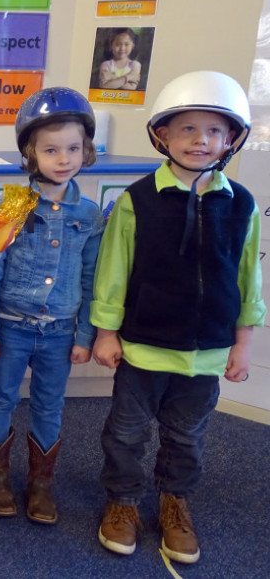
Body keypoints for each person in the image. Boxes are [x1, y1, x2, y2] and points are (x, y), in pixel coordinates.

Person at [92, 71, 265, 564]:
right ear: (162, 135)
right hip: (144, 346)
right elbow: (114, 270)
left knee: (186, 433)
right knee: (126, 430)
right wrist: (106, 330)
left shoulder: (242, 206)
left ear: (231, 140)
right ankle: (122, 500)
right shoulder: (138, 200)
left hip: (207, 352)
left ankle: (174, 501)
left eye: (213, 131)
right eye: (187, 129)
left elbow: (247, 280)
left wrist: (242, 342)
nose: (200, 140)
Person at [0, 88, 104, 525]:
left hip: (60, 331)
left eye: (72, 148)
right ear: (31, 153)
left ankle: (42, 483)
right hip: (10, 326)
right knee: (2, 396)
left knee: (50, 404)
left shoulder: (90, 215)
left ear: (85, 150)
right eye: (51, 149)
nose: (63, 158)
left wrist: (85, 335)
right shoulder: (7, 206)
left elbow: (91, 279)